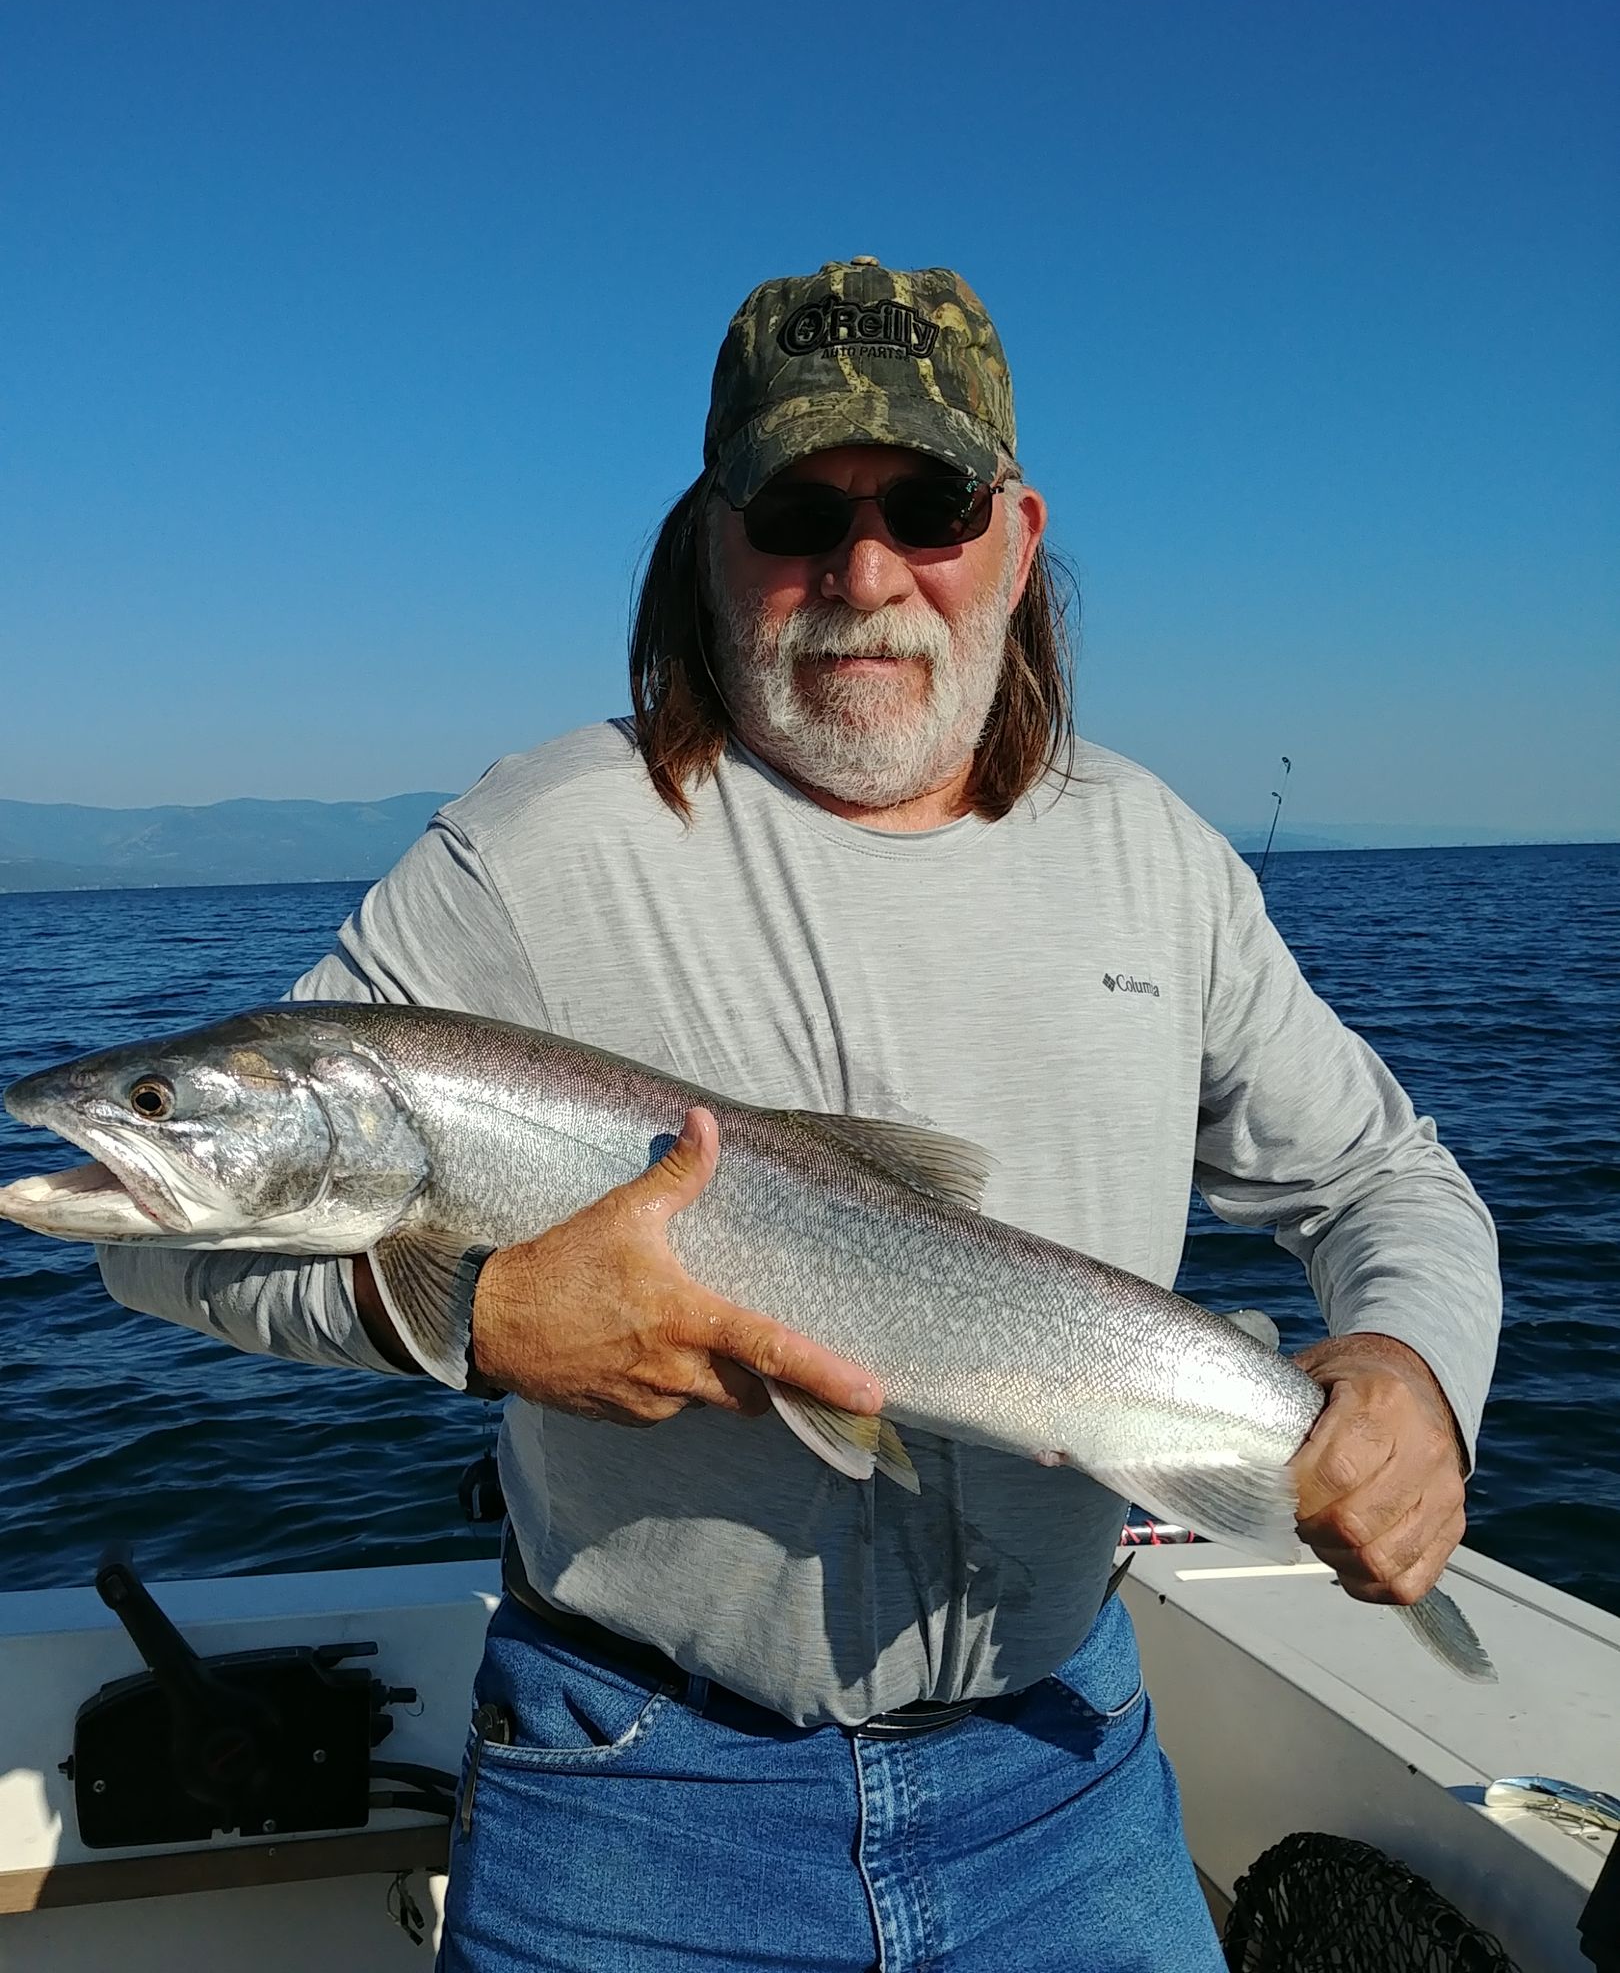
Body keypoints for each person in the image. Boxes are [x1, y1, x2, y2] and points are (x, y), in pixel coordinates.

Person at [100, 258, 1501, 1972]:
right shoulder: (531, 852)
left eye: (928, 504)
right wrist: (482, 1318)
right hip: (632, 1795)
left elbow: (1386, 1178)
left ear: (1016, 531)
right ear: (710, 537)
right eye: (795, 510)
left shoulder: (1160, 862)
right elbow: (162, 1262)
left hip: (1064, 1775)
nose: (863, 574)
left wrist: (1413, 1375)